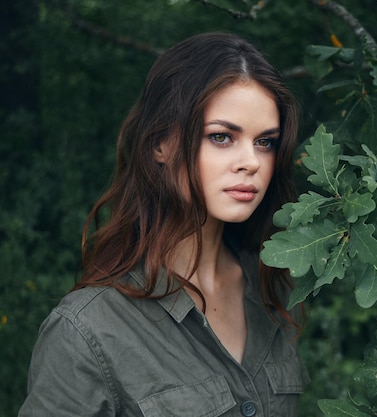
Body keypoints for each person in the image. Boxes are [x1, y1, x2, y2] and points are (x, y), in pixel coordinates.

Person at [19, 32, 308, 417]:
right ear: (161, 144)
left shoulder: (276, 287)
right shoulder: (87, 331)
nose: (251, 162)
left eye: (265, 142)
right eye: (221, 137)